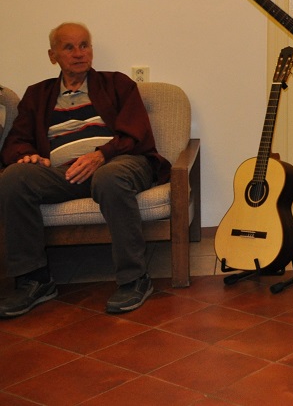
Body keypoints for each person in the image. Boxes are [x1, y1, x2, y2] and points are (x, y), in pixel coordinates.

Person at [0, 23, 169, 317]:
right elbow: (15, 142)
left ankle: (134, 278)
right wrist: (28, 156)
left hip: (120, 162)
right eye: (69, 47)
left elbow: (136, 134)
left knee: (109, 177)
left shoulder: (117, 83)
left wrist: (101, 155)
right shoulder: (37, 95)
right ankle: (34, 281)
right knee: (14, 177)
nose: (79, 53)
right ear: (52, 55)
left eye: (84, 45)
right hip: (64, 173)